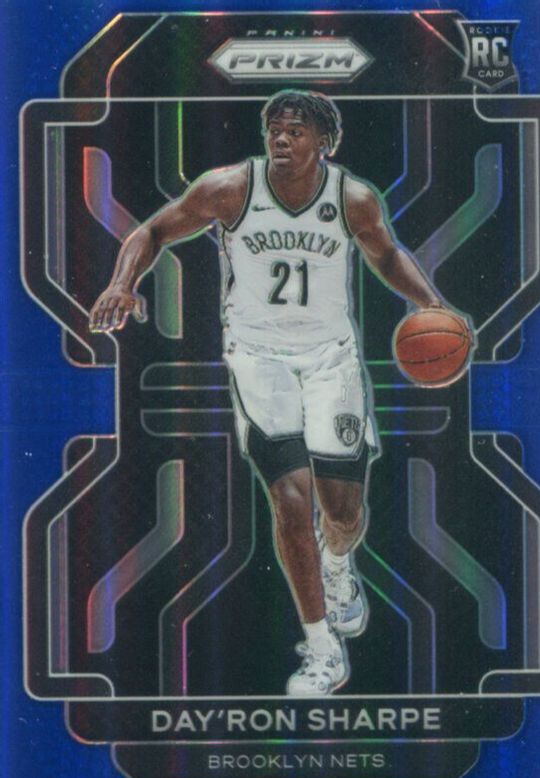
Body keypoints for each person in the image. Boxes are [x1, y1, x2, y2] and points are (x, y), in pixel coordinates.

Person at [90, 90, 447, 697]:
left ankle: (339, 566)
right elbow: (152, 231)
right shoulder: (229, 189)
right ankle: (322, 650)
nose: (281, 139)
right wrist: (122, 282)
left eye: (295, 131)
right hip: (259, 361)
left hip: (331, 359)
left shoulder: (353, 198)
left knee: (343, 514)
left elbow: (386, 255)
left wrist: (432, 305)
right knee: (289, 500)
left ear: (324, 143)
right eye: (274, 129)